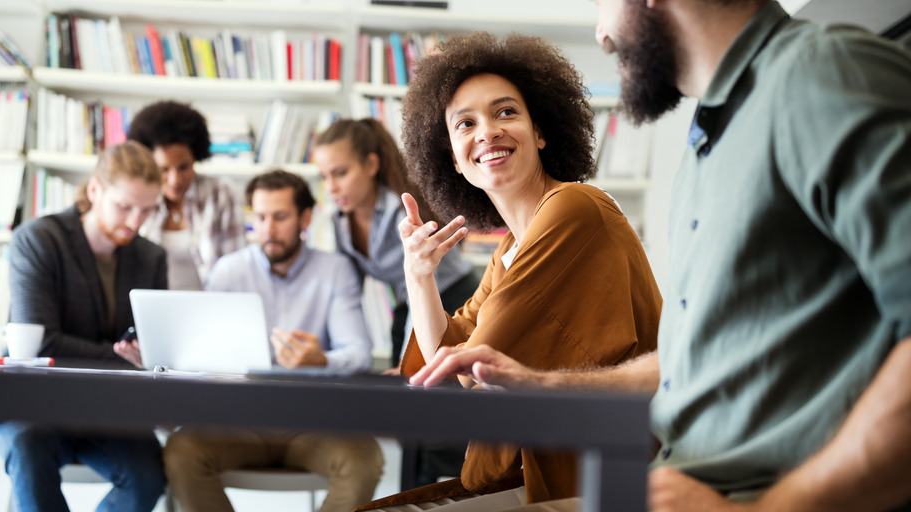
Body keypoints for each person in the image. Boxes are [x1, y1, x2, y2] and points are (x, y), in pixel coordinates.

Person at [407, 1, 911, 511]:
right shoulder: (708, 145)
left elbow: (459, 379)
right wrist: (538, 382)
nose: (601, 34)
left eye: (602, 4)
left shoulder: (820, 75)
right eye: (464, 124)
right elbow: (693, 357)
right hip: (672, 479)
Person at [359, 32, 663, 511]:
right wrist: (418, 275)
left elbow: (471, 365)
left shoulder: (574, 208)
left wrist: (462, 358)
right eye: (465, 124)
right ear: (454, 161)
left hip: (607, 473)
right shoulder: (507, 250)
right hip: (556, 465)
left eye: (505, 112)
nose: (487, 132)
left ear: (540, 132)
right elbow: (444, 358)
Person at [162, 170, 384, 512]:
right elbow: (206, 354)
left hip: (315, 423)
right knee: (181, 451)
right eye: (260, 217)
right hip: (237, 421)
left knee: (365, 459)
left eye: (280, 217)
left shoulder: (335, 270)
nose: (268, 229)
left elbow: (359, 354)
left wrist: (321, 360)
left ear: (305, 218)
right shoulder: (228, 271)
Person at [0, 141, 168, 512]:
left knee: (149, 476)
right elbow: (41, 345)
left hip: (110, 412)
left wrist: (148, 354)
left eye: (147, 210)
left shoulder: (151, 257)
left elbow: (154, 347)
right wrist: (121, 358)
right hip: (36, 407)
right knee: (27, 447)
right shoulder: (39, 240)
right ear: (94, 190)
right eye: (124, 206)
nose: (136, 222)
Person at [313, 117, 478, 486]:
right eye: (324, 176)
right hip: (408, 306)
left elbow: (421, 281)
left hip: (453, 297)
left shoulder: (402, 212)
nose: (331, 186)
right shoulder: (340, 223)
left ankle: (455, 484)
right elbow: (346, 293)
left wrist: (408, 361)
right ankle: (413, 490)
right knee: (407, 405)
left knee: (435, 399)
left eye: (339, 172)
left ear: (370, 166)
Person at [128, 100, 245, 290]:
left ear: (196, 158)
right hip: (153, 307)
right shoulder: (139, 199)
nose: (175, 180)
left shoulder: (220, 194)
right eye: (164, 169)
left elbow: (236, 268)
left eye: (184, 167)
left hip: (211, 309)